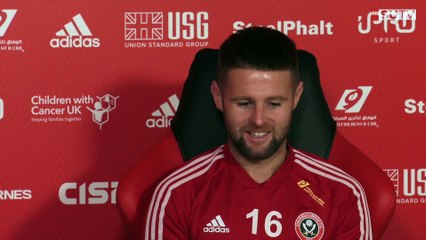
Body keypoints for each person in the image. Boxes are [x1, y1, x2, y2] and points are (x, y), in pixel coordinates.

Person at [144, 27, 372, 240]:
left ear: (296, 97)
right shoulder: (176, 194)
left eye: (274, 103)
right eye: (244, 103)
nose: (259, 119)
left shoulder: (342, 193)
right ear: (217, 96)